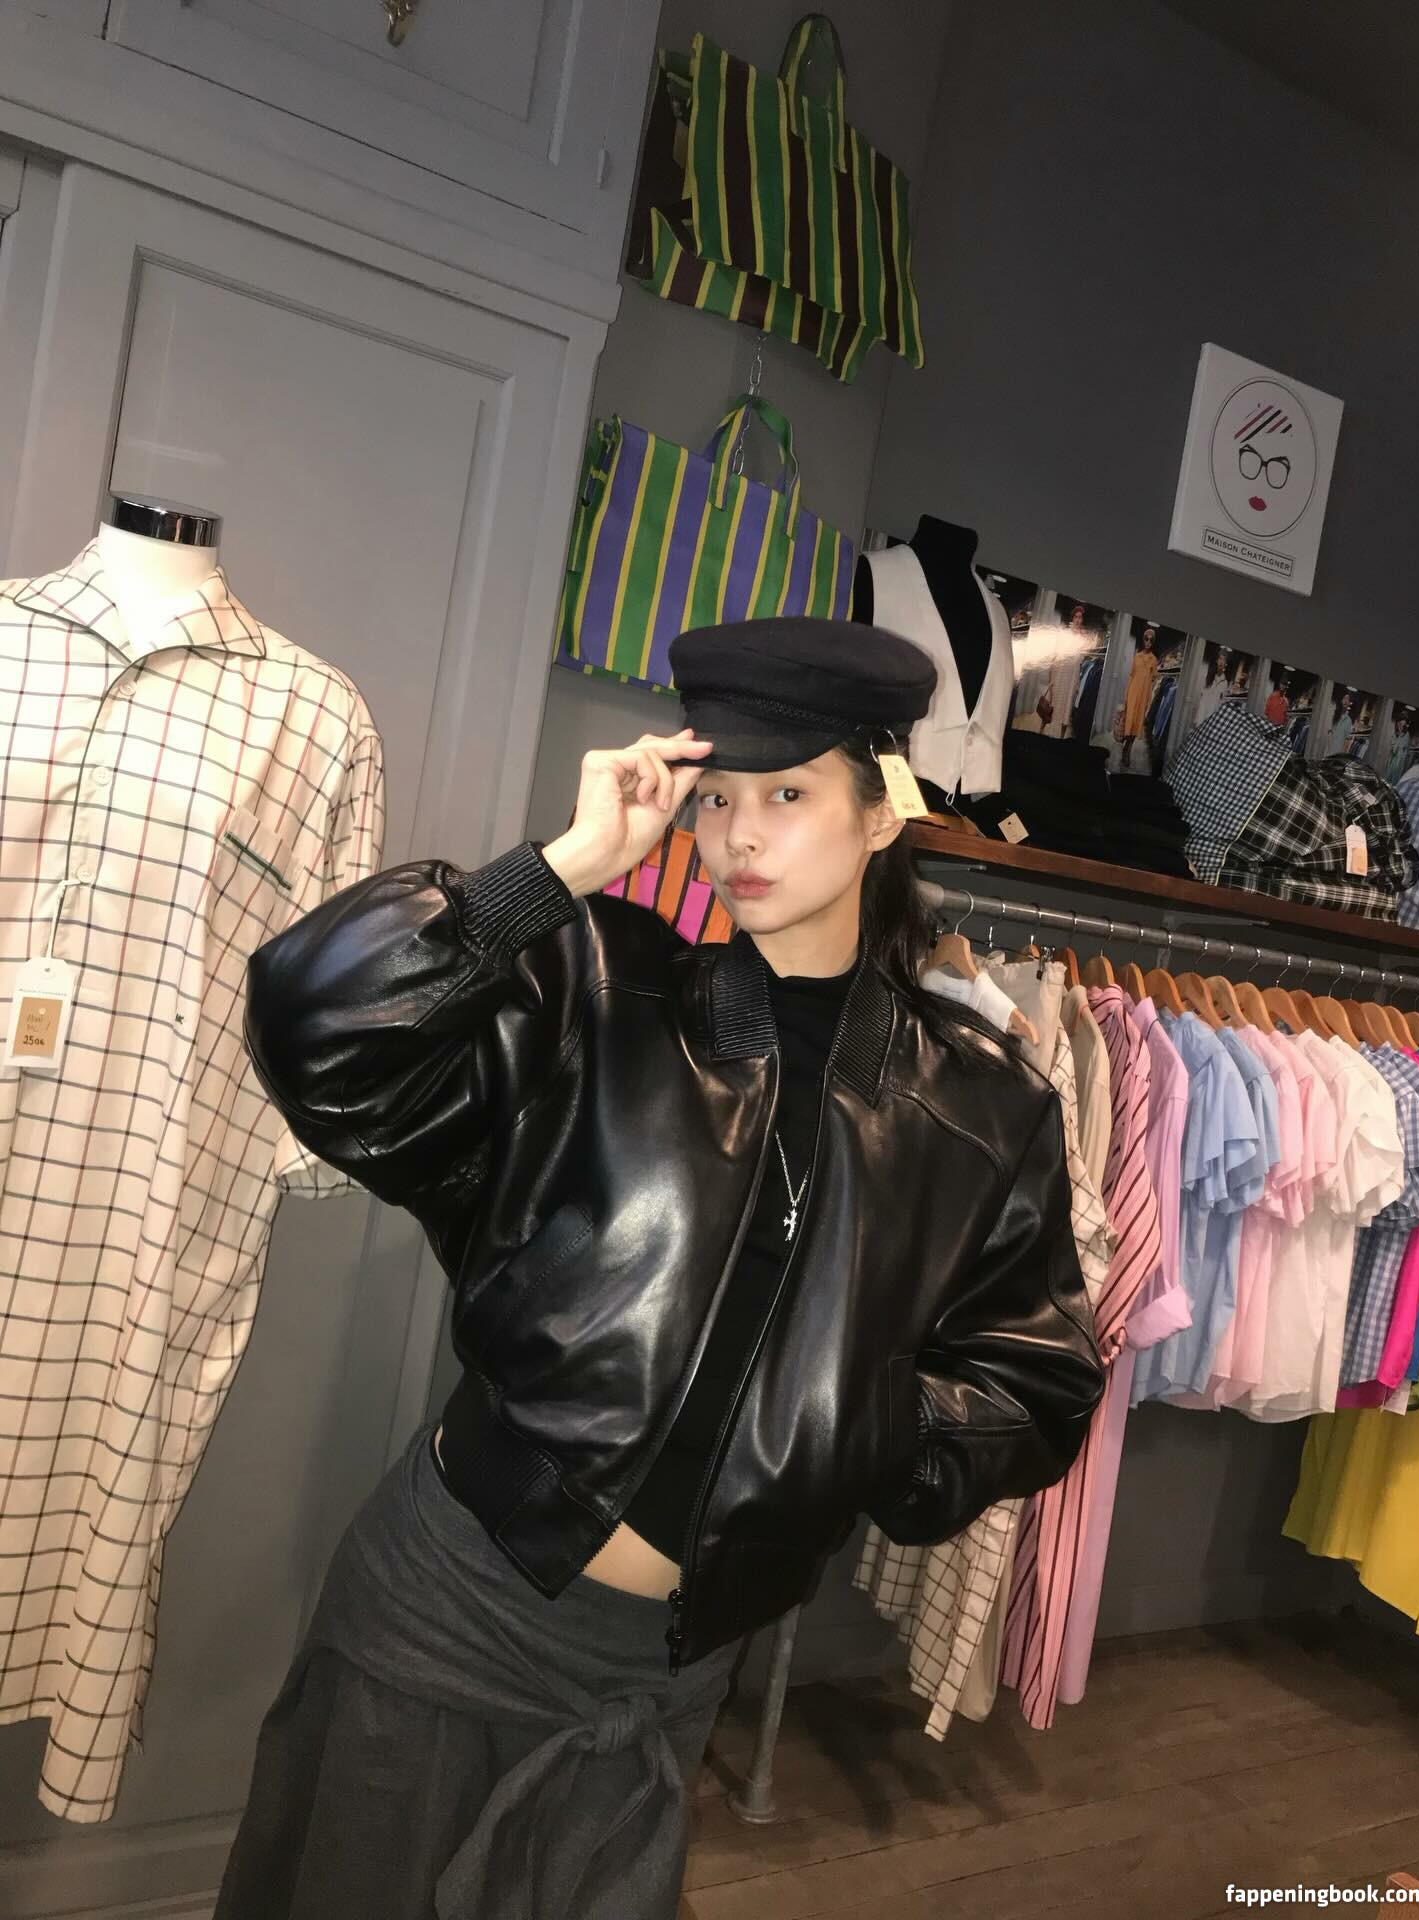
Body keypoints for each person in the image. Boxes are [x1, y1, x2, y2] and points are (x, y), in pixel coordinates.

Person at [215, 616, 1104, 1920]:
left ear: (880, 812)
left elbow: (1040, 1378)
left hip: (674, 1673)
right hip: (454, 1614)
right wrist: (560, 870)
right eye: (717, 798)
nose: (740, 835)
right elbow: (316, 1028)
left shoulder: (982, 1104)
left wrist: (863, 1429)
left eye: (788, 795)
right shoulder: (597, 989)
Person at [1118, 626, 1158, 767]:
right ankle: (1125, 746)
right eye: (1146, 639)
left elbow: (1153, 680)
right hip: (1133, 693)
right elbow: (1131, 676)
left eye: (1151, 640)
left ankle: (1128, 749)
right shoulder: (1136, 657)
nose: (1148, 642)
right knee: (1129, 721)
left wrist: (1149, 700)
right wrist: (1126, 695)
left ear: (1153, 642)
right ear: (1143, 640)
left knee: (1137, 724)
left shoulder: (1154, 660)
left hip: (1143, 696)